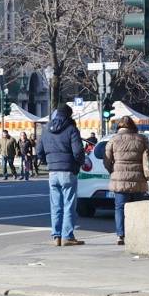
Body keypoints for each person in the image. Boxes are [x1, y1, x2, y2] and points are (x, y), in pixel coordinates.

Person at [38, 103, 86, 247]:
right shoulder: (71, 129)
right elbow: (78, 152)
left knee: (55, 205)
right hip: (68, 170)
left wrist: (48, 162)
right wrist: (78, 164)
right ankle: (67, 236)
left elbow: (39, 150)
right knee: (69, 204)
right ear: (69, 115)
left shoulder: (46, 129)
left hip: (53, 171)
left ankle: (56, 236)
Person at [103, 116, 149, 246]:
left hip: (119, 179)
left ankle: (120, 235)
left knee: (120, 207)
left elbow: (106, 159)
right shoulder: (141, 139)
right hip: (138, 178)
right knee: (137, 207)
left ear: (119, 127)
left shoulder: (113, 139)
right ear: (133, 126)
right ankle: (136, 233)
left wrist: (114, 171)